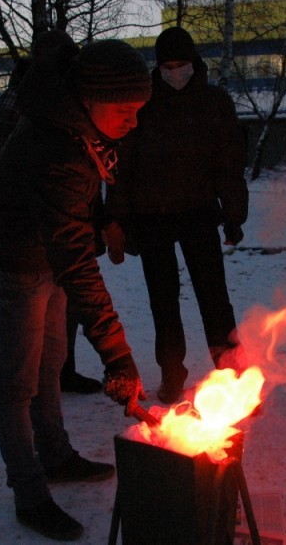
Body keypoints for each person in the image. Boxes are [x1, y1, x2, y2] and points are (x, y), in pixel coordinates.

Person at [0, 39, 151, 541]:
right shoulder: (55, 143)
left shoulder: (80, 126)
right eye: (125, 110)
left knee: (51, 364)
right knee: (17, 383)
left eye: (140, 110)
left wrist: (104, 218)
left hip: (45, 255)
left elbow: (78, 209)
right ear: (90, 98)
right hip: (8, 261)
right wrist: (117, 355)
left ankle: (57, 456)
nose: (133, 121)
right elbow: (75, 259)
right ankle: (29, 493)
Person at [106, 27, 248, 404]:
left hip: (199, 212)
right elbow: (123, 165)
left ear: (194, 62)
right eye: (167, 65)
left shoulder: (214, 102)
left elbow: (228, 164)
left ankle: (231, 371)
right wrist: (116, 218)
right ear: (159, 66)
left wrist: (233, 215)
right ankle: (172, 375)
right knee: (163, 301)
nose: (175, 71)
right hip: (152, 216)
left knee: (214, 296)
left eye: (181, 64)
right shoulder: (144, 104)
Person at [0, 29, 104, 395]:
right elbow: (10, 163)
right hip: (27, 234)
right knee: (29, 331)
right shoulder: (25, 101)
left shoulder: (76, 105)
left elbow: (87, 170)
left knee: (65, 308)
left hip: (66, 222)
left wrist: (94, 218)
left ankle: (61, 371)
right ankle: (38, 383)